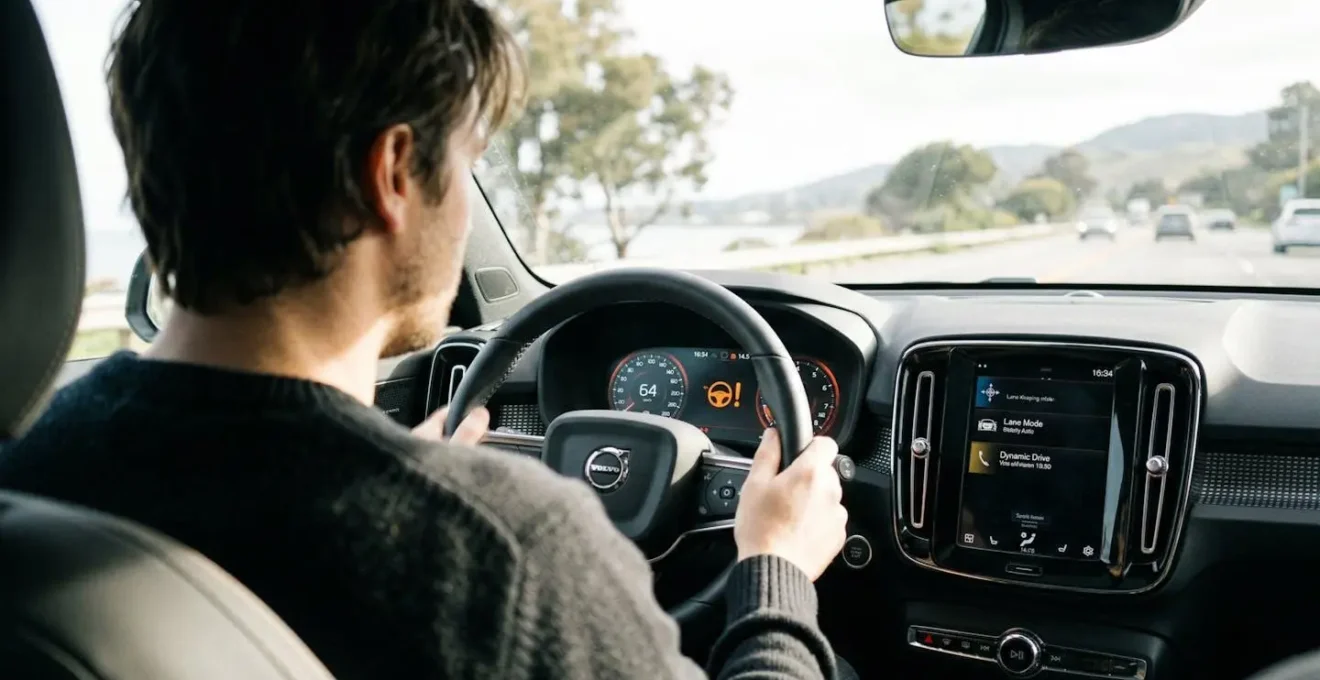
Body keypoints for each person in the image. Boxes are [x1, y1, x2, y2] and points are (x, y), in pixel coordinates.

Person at [0, 2, 856, 679]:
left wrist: (390, 474)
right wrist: (773, 571)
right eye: (466, 163)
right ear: (393, 174)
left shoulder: (29, 480)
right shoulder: (505, 552)